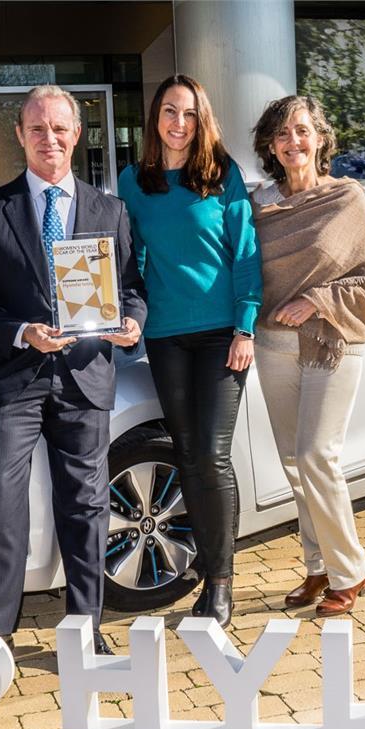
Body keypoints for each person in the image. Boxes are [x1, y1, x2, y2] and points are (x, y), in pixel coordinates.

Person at [0, 85, 146, 685]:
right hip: (13, 381)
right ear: (20, 135)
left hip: (85, 376)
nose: (50, 138)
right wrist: (19, 332)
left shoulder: (109, 211)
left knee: (86, 505)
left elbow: (133, 284)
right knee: (3, 507)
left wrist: (134, 319)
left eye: (60, 128)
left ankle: (85, 631)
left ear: (77, 134)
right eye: (38, 128)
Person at [117, 75, 262, 627]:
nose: (179, 124)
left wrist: (246, 327)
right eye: (170, 112)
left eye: (190, 114)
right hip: (165, 336)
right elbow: (125, 260)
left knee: (211, 452)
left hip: (222, 334)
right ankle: (206, 555)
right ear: (155, 119)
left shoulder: (221, 176)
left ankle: (221, 581)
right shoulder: (134, 182)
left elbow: (245, 256)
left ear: (203, 122)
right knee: (185, 452)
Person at [250, 95, 365, 616]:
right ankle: (319, 567)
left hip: (332, 339)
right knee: (292, 463)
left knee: (316, 456)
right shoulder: (259, 205)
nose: (293, 142)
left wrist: (317, 300)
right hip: (273, 343)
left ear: (320, 138)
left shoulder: (345, 198)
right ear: (270, 145)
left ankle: (351, 570)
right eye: (282, 134)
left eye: (302, 131)